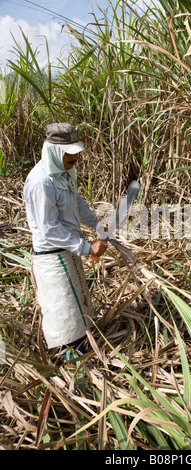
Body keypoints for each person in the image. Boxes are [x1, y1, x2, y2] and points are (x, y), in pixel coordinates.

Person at [23, 123, 107, 359]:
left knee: (78, 312)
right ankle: (73, 372)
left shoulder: (64, 172)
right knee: (65, 319)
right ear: (53, 151)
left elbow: (78, 203)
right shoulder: (41, 182)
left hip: (68, 253)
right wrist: (87, 247)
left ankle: (84, 357)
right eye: (70, 152)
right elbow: (48, 229)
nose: (77, 157)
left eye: (77, 150)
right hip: (52, 259)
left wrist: (98, 225)